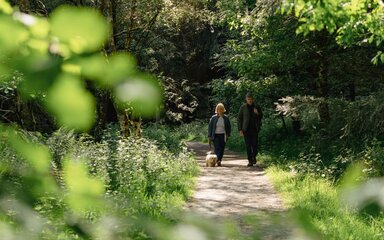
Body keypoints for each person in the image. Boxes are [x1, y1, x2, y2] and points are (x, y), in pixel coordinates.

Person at [237, 93, 263, 167]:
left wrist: (257, 113)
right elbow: (239, 118)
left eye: (251, 99)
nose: (250, 100)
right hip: (246, 129)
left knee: (254, 144)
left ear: (253, 99)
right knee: (248, 145)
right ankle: (250, 161)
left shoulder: (256, 106)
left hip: (255, 129)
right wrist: (240, 129)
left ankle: (253, 156)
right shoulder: (243, 107)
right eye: (248, 99)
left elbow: (261, 116)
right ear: (246, 99)